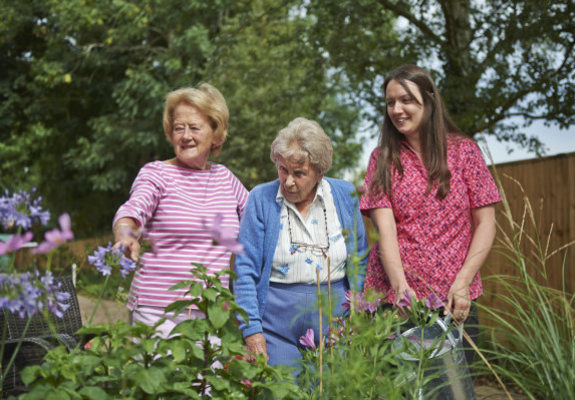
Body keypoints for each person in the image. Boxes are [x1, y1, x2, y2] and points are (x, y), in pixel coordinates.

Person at [359, 64, 501, 362]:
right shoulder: (382, 158)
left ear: (429, 100)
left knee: (455, 389)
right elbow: (386, 231)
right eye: (390, 102)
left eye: (406, 100)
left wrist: (463, 283)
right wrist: (400, 287)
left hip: (455, 298)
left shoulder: (465, 152)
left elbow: (486, 223)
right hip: (398, 299)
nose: (396, 109)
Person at [112, 83, 248, 337]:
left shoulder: (226, 179)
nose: (186, 136)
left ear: (216, 133)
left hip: (211, 311)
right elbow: (134, 209)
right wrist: (126, 234)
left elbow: (259, 218)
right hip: (157, 311)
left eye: (194, 127)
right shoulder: (157, 174)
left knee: (208, 378)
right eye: (178, 128)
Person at [233, 117, 368, 371]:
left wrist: (359, 312)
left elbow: (360, 258)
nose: (288, 181)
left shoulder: (342, 195)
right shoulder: (261, 199)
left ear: (319, 172)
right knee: (282, 391)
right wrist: (251, 330)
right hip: (276, 329)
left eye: (299, 173)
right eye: (283, 169)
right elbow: (245, 271)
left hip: (335, 324)